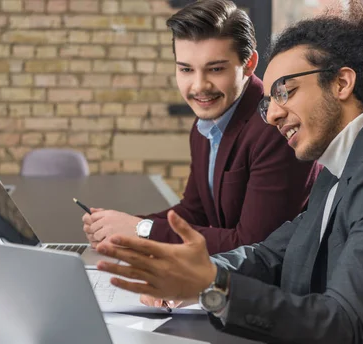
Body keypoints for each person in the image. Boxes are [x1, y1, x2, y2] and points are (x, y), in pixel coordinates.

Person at [95, 0, 363, 344]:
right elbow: (270, 255)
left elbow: (342, 326)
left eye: (286, 91)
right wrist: (191, 273)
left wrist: (214, 287)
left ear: (341, 83)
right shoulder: (345, 164)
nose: (272, 115)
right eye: (269, 100)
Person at [82, 0, 319, 255]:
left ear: (249, 64)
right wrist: (119, 228)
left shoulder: (275, 127)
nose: (198, 86)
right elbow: (194, 212)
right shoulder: (205, 124)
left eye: (215, 69)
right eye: (186, 69)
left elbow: (253, 244)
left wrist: (142, 229)